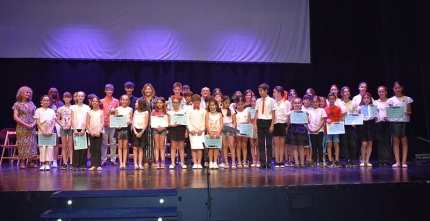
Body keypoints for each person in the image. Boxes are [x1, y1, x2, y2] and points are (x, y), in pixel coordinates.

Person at [387, 81, 413, 168]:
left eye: (399, 87)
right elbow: (390, 112)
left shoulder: (407, 98)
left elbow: (410, 111)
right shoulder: (391, 100)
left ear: (402, 88)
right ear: (393, 89)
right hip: (395, 122)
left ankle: (404, 161)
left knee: (404, 141)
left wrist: (407, 113)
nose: (397, 89)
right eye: (395, 88)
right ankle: (397, 161)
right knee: (396, 141)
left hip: (404, 122)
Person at [13, 86, 38, 169]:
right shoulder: (17, 104)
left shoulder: (32, 104)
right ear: (21, 93)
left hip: (32, 126)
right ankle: (22, 161)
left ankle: (30, 162)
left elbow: (36, 115)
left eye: (29, 92)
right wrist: (26, 124)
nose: (28, 94)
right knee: (23, 144)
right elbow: (15, 117)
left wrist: (34, 124)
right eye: (26, 92)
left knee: (31, 143)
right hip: (22, 127)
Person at [254, 83, 276, 169]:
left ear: (266, 91)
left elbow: (273, 113)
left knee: (269, 143)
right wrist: (255, 124)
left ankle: (269, 161)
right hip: (260, 121)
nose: (259, 92)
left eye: (261, 90)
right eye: (259, 91)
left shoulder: (271, 100)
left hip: (268, 121)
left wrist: (272, 125)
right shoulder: (258, 101)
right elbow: (256, 112)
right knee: (261, 143)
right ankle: (263, 162)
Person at [339, 86, 359, 167]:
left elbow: (356, 114)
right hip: (343, 125)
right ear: (342, 94)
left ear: (349, 93)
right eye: (345, 91)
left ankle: (353, 160)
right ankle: (347, 160)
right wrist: (341, 114)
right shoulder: (339, 104)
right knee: (345, 143)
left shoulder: (353, 103)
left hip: (351, 125)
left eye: (348, 91)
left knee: (353, 143)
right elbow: (337, 115)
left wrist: (355, 122)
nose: (346, 93)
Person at [35, 95, 56, 171]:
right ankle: (43, 163)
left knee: (50, 146)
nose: (46, 102)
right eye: (44, 100)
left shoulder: (52, 111)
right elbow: (37, 121)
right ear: (41, 101)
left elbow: (54, 121)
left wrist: (51, 129)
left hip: (50, 127)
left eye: (47, 100)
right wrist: (42, 130)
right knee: (42, 146)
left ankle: (47, 163)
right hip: (42, 127)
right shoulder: (38, 110)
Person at [286, 98, 309, 169]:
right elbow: (288, 123)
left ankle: (302, 163)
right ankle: (296, 163)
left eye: (298, 103)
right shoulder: (290, 113)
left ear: (301, 104)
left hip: (301, 129)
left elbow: (306, 122)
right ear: (293, 104)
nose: (297, 104)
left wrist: (307, 116)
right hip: (293, 129)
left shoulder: (304, 112)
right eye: (295, 103)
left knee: (301, 147)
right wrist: (289, 118)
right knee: (295, 147)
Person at [100, 84, 120, 166]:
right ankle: (103, 159)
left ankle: (113, 159)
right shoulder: (101, 101)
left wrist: (114, 111)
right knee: (104, 142)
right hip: (104, 124)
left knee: (113, 142)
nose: (110, 92)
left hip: (113, 124)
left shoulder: (116, 101)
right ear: (105, 91)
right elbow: (100, 113)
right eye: (108, 90)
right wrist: (102, 122)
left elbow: (118, 113)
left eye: (111, 90)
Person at [71, 91, 91, 170]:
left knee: (83, 147)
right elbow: (72, 118)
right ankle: (75, 165)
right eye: (79, 96)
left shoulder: (87, 107)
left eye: (82, 96)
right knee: (76, 147)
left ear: (84, 97)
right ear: (76, 97)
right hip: (75, 129)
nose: (80, 97)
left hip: (83, 129)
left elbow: (87, 119)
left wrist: (84, 129)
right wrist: (75, 129)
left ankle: (83, 165)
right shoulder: (73, 107)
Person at [357, 92, 377, 167]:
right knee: (364, 143)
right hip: (363, 124)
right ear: (362, 99)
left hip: (371, 124)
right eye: (364, 98)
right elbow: (357, 117)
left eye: (368, 98)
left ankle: (367, 160)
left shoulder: (373, 107)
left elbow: (375, 118)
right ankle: (363, 160)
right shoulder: (360, 107)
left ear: (370, 99)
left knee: (370, 143)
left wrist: (375, 114)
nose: (366, 99)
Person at [167, 97, 188, 169]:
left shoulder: (183, 111)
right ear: (172, 103)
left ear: (179, 103)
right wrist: (173, 125)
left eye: (177, 103)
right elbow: (168, 123)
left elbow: (185, 123)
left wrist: (186, 131)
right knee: (173, 147)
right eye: (174, 103)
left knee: (181, 147)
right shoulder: (169, 112)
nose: (175, 104)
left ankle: (182, 162)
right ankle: (172, 163)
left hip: (181, 129)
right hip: (173, 130)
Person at [272, 86, 291, 168]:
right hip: (275, 123)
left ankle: (281, 160)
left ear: (279, 92)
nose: (273, 94)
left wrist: (288, 126)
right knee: (276, 143)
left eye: (274, 92)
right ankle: (277, 161)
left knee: (282, 143)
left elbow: (289, 115)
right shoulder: (273, 102)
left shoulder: (286, 103)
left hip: (283, 123)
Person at [187, 94, 206, 169]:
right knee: (193, 147)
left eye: (197, 101)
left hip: (201, 131)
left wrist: (202, 129)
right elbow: (188, 121)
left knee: (200, 147)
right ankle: (195, 162)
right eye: (194, 101)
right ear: (192, 101)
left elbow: (205, 121)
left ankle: (199, 163)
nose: (196, 102)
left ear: (200, 101)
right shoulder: (190, 111)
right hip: (192, 131)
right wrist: (191, 129)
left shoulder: (203, 111)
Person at [141, 83, 158, 168]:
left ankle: (154, 160)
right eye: (146, 89)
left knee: (154, 142)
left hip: (155, 124)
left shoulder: (156, 99)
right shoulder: (141, 100)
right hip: (143, 124)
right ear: (144, 90)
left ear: (152, 90)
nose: (148, 90)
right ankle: (146, 161)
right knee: (145, 142)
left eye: (149, 89)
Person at [307, 95, 327, 167]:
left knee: (320, 146)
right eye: (314, 102)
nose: (315, 103)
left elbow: (323, 120)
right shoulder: (309, 111)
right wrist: (310, 129)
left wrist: (318, 129)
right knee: (314, 146)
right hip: (311, 131)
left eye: (316, 102)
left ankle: (321, 161)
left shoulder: (322, 110)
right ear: (312, 103)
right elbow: (307, 121)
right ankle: (315, 161)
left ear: (319, 102)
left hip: (319, 131)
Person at [374, 86, 391, 166]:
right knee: (380, 141)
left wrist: (389, 117)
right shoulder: (375, 102)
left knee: (387, 141)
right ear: (378, 92)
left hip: (388, 123)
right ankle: (381, 160)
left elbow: (393, 112)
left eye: (382, 91)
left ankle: (387, 159)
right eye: (379, 92)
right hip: (378, 123)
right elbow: (373, 113)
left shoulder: (390, 101)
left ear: (386, 92)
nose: (381, 93)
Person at [47, 87, 64, 168]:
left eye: (55, 92)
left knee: (56, 143)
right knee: (49, 143)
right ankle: (48, 160)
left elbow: (62, 115)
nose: (53, 94)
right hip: (48, 125)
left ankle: (54, 160)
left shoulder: (60, 103)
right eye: (52, 92)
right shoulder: (47, 102)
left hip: (57, 125)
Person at [115, 95, 133, 169]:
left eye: (126, 100)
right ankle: (120, 163)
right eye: (123, 100)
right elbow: (115, 120)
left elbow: (131, 119)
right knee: (120, 146)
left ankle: (124, 162)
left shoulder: (130, 109)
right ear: (120, 100)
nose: (124, 101)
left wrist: (129, 122)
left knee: (125, 146)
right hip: (119, 129)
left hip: (126, 128)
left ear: (128, 101)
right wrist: (117, 125)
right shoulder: (117, 109)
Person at [86, 96, 104, 171]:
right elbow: (87, 123)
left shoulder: (101, 112)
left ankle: (98, 165)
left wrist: (99, 131)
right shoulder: (89, 112)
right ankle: (93, 165)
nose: (94, 103)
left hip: (99, 132)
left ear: (98, 103)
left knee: (98, 148)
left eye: (96, 101)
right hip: (91, 132)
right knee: (93, 149)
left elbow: (102, 122)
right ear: (91, 102)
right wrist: (91, 131)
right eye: (93, 101)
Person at [324, 92, 342, 167]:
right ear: (328, 100)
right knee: (329, 144)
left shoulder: (338, 108)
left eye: (333, 99)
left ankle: (337, 160)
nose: (331, 100)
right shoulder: (325, 109)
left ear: (335, 99)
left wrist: (339, 126)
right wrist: (326, 120)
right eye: (330, 99)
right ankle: (330, 161)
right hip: (328, 129)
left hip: (336, 129)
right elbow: (323, 119)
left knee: (336, 144)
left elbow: (340, 119)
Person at [57, 92, 73, 170]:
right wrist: (62, 125)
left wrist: (70, 125)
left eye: (68, 97)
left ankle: (71, 162)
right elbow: (57, 119)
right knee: (64, 146)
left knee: (70, 146)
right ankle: (64, 163)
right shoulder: (60, 108)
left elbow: (74, 118)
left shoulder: (73, 108)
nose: (67, 99)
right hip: (63, 127)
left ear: (71, 98)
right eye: (65, 97)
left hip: (70, 127)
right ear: (63, 98)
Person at [233, 97, 251, 168]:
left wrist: (249, 131)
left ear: (244, 104)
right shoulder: (234, 112)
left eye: (242, 104)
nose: (240, 106)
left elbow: (249, 122)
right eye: (239, 104)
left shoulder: (247, 112)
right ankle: (239, 162)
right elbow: (234, 122)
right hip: (238, 131)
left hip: (245, 131)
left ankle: (244, 162)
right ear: (236, 104)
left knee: (244, 145)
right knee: (238, 145)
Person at [206, 99, 223, 169]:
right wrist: (209, 132)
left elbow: (221, 124)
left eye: (213, 105)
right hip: (210, 132)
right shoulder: (208, 114)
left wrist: (219, 132)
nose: (212, 107)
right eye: (210, 105)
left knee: (216, 148)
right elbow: (206, 124)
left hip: (217, 132)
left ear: (216, 105)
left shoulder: (219, 114)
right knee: (210, 148)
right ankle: (210, 162)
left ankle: (215, 162)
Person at [151, 97, 168, 169]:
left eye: (161, 103)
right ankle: (157, 162)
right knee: (157, 146)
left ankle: (163, 162)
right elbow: (151, 122)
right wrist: (156, 127)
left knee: (162, 146)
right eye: (158, 103)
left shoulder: (166, 112)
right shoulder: (153, 111)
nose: (159, 104)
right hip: (155, 129)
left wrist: (163, 127)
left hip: (163, 130)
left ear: (163, 103)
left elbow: (168, 122)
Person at [220, 95, 236, 169]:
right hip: (222, 127)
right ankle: (226, 162)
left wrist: (233, 128)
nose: (228, 104)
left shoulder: (231, 109)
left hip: (229, 126)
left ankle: (233, 162)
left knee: (231, 145)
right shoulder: (219, 109)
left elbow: (234, 121)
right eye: (226, 103)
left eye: (229, 103)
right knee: (224, 146)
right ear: (222, 102)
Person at [132, 98, 149, 170]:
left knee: (141, 148)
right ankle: (135, 163)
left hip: (142, 131)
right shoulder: (135, 112)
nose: (135, 104)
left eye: (136, 102)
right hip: (135, 131)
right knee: (135, 148)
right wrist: (135, 131)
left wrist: (141, 132)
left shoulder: (146, 112)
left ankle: (140, 163)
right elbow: (133, 122)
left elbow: (146, 123)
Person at [249, 96, 260, 167]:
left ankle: (258, 160)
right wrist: (251, 119)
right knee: (252, 145)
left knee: (257, 145)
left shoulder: (258, 109)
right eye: (252, 101)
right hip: (250, 127)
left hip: (257, 127)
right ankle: (253, 161)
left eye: (254, 101)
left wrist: (256, 119)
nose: (253, 103)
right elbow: (247, 119)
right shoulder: (248, 109)